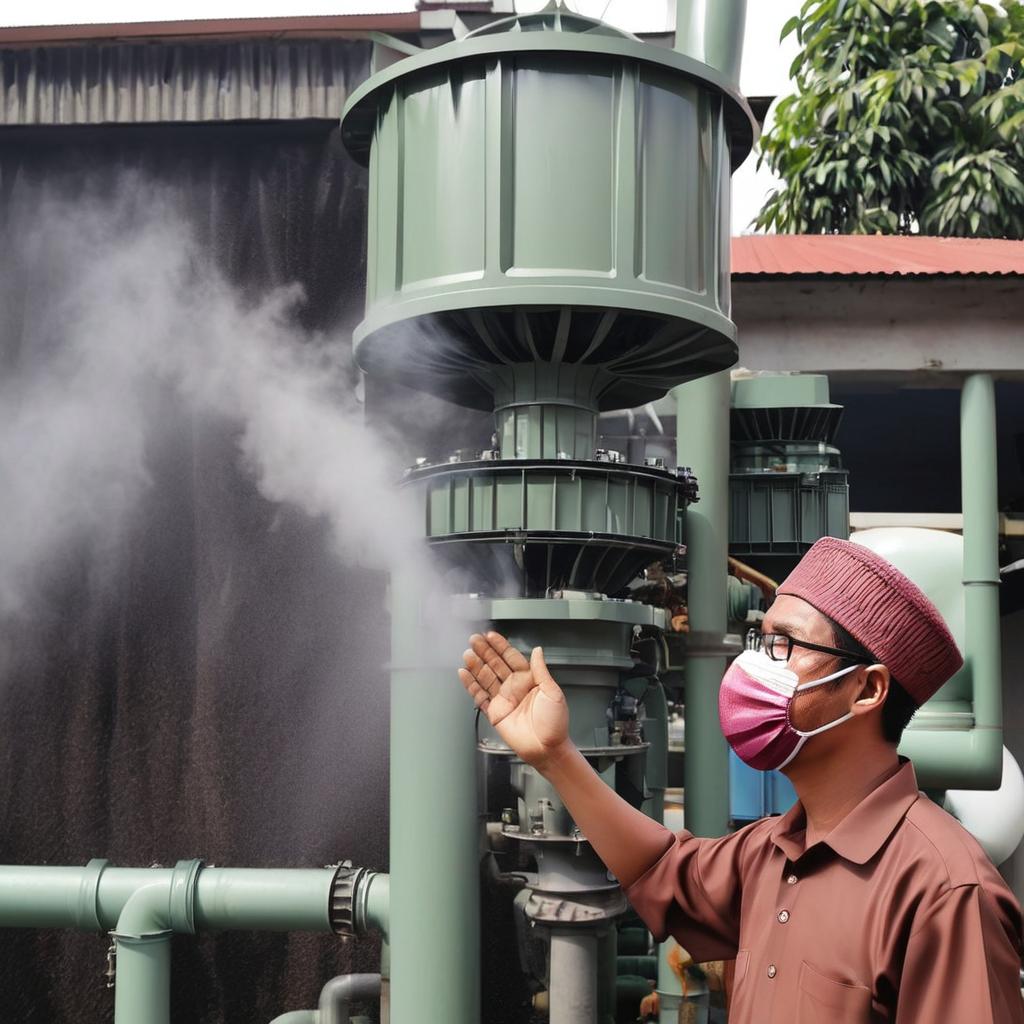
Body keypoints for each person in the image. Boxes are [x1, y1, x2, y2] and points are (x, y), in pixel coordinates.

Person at [458, 537, 1024, 1022]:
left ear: (867, 690)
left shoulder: (946, 892)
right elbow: (660, 868)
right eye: (761, 639)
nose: (754, 667)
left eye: (786, 644)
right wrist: (556, 755)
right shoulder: (771, 850)